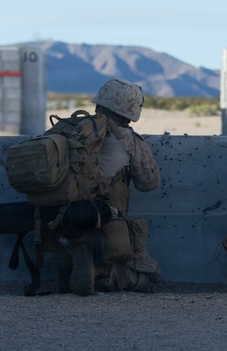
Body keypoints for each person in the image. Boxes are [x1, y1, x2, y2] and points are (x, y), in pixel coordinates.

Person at [52, 78, 162, 295]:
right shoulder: (129, 139)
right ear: (130, 112)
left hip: (58, 217)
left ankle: (74, 265)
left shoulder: (65, 129)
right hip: (104, 219)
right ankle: (99, 271)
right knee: (150, 277)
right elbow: (149, 183)